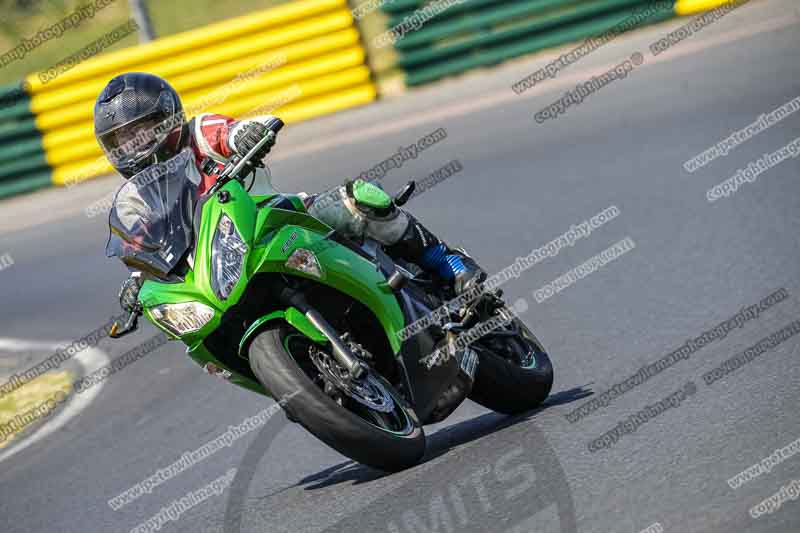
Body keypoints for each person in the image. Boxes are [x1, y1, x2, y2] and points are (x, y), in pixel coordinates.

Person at [94, 72, 484, 313]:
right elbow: (142, 250)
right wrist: (138, 283)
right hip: (216, 266)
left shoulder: (198, 133)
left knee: (360, 199)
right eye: (123, 141)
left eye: (142, 131)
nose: (134, 145)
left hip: (276, 217)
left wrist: (244, 133)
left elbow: (229, 131)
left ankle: (447, 264)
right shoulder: (135, 199)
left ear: (170, 118)